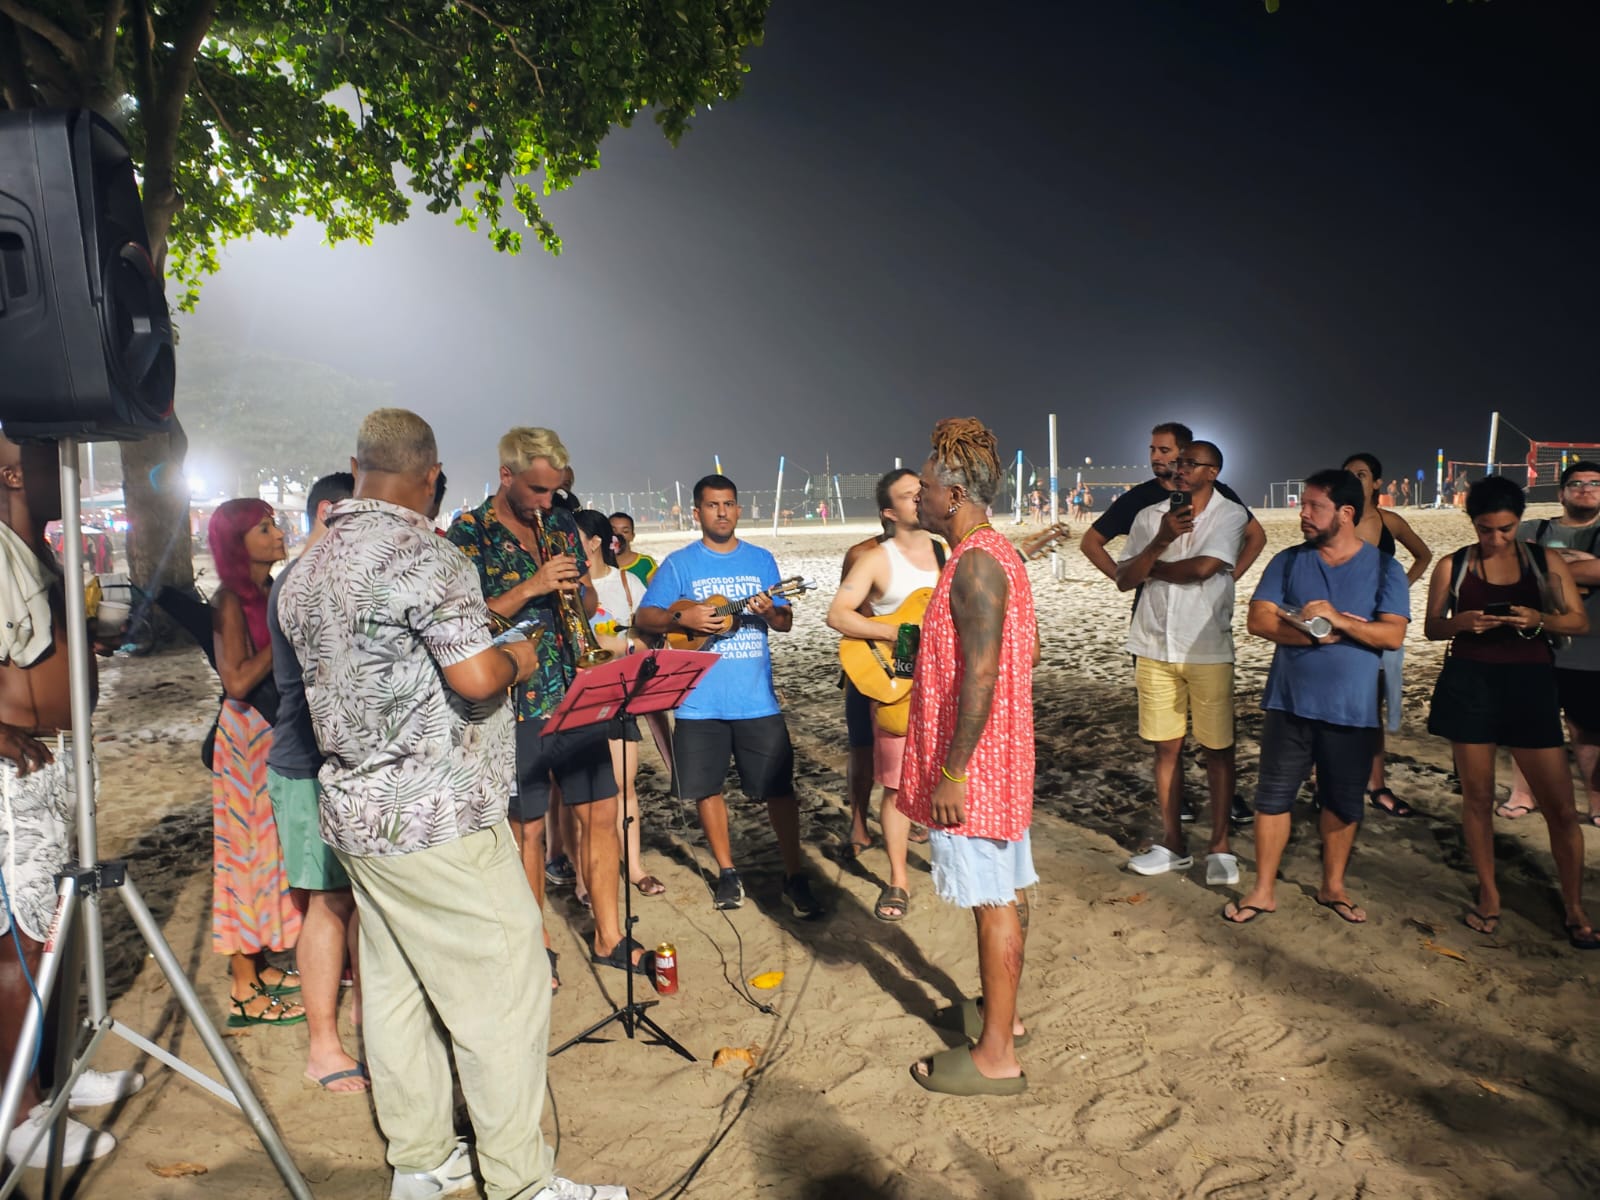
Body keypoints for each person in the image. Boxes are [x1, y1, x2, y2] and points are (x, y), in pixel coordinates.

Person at [280, 408, 626, 1200]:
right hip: (436, 813)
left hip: (356, 813)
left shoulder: (308, 563)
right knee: (506, 990)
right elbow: (473, 677)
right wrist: (520, 652)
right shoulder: (423, 554)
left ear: (358, 464)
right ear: (432, 476)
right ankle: (520, 1182)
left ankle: (424, 1160)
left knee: (396, 988)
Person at [447, 429, 648, 980]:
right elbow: (464, 621)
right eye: (537, 490)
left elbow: (584, 596)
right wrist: (534, 585)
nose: (545, 503)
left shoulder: (559, 522)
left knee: (601, 815)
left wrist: (579, 591)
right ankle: (535, 943)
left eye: (554, 491)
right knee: (527, 830)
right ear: (505, 475)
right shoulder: (469, 533)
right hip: (514, 701)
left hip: (577, 688)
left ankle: (608, 935)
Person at [2, 434, 142, 1169]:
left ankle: (54, 1078)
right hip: (14, 778)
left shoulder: (35, 551)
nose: (75, 472)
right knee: (16, 948)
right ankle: (20, 1116)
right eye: (53, 455)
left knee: (52, 932)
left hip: (54, 765)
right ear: (13, 471)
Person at [899, 418, 1038, 1097]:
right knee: (1003, 893)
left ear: (953, 494)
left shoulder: (978, 562)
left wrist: (953, 769)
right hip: (1002, 755)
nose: (917, 498)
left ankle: (995, 1056)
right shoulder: (997, 554)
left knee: (992, 901)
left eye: (924, 488)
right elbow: (1023, 655)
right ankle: (999, 1020)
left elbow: (982, 674)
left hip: (977, 767)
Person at [1225, 469, 1410, 927]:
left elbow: (1392, 634)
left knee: (1343, 801)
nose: (1303, 514)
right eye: (1303, 505)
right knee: (1272, 798)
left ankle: (1333, 887)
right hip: (1288, 703)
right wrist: (1311, 638)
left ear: (1345, 514)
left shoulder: (1386, 568)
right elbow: (1258, 620)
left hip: (1352, 708)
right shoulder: (1288, 562)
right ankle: (1263, 891)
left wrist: (1340, 622)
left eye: (1314, 507)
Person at [1422, 475, 1596, 949]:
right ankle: (1489, 894)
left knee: (1560, 808)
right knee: (1477, 798)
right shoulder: (1453, 565)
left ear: (1519, 521)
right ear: (1472, 522)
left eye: (1505, 528)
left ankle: (1575, 906)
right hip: (1471, 684)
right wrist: (1461, 622)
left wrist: (1539, 619)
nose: (1496, 538)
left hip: (1530, 684)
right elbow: (1432, 628)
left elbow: (1578, 621)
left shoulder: (1545, 561)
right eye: (1485, 529)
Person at [634, 475, 821, 915]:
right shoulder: (680, 564)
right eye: (713, 505)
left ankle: (794, 874)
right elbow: (646, 614)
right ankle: (727, 872)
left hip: (756, 699)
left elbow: (785, 622)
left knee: (779, 790)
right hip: (699, 701)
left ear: (738, 510)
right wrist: (689, 618)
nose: (722, 512)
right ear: (697, 513)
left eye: (730, 504)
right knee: (708, 789)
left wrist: (772, 608)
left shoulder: (761, 560)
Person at [1082, 421, 1265, 827]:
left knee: (1216, 740)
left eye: (1167, 452)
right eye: (1154, 451)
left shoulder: (1225, 503)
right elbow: (1095, 547)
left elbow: (1244, 544)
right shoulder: (1144, 505)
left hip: (1204, 636)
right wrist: (1130, 571)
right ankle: (1177, 805)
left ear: (1193, 460)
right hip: (1152, 630)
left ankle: (1224, 805)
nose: (1159, 459)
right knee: (1166, 737)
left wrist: (1228, 576)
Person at [265, 472, 366, 1091]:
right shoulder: (298, 583)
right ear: (328, 513)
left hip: (345, 764)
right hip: (306, 765)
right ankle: (323, 1045)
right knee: (327, 903)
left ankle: (362, 1020)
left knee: (357, 899)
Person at [1115, 441, 1250, 885]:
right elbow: (1122, 579)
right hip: (1153, 644)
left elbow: (1204, 568)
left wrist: (1150, 567)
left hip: (1205, 645)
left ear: (1212, 472)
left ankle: (1220, 845)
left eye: (1190, 464)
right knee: (1164, 747)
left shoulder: (1229, 515)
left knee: (1218, 749)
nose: (1180, 470)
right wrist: (1161, 541)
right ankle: (1173, 842)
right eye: (1178, 463)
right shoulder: (1149, 517)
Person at [826, 468, 944, 921]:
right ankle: (898, 879)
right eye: (910, 496)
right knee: (896, 786)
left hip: (948, 685)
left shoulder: (949, 550)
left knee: (949, 778)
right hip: (901, 686)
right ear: (890, 512)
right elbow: (838, 615)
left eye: (923, 491)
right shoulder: (877, 558)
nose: (921, 499)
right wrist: (894, 632)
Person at [206, 499, 305, 1026]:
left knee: (270, 857)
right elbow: (237, 682)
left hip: (272, 734)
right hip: (245, 740)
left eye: (274, 524)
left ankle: (262, 964)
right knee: (246, 860)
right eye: (263, 528)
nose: (277, 533)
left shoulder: (268, 591)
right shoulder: (229, 601)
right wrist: (284, 633)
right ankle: (243, 987)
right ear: (235, 543)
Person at [571, 509, 665, 897]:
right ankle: (582, 878)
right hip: (576, 699)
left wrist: (618, 647)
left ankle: (636, 867)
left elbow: (651, 640)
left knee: (624, 788)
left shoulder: (626, 584)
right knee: (581, 797)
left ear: (593, 542)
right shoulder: (566, 588)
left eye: (572, 535)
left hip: (618, 696)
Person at [1501, 460, 1600, 825]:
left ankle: (1596, 801)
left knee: (1588, 729)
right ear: (1561, 493)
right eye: (1577, 483)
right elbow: (1514, 569)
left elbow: (1538, 568)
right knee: (1528, 722)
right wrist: (1582, 565)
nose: (1586, 488)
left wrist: (1551, 567)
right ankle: (1522, 793)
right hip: (1534, 643)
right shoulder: (1534, 527)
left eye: (1594, 483)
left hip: (1591, 649)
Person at [1342, 453, 1433, 818]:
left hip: (1379, 626)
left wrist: (1399, 592)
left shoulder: (1389, 522)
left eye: (1361, 474)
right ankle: (1323, 779)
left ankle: (1376, 784)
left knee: (1372, 709)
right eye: (1348, 474)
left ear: (1376, 482)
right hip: (1340, 625)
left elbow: (1423, 556)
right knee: (1329, 703)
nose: (1354, 479)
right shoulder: (1335, 519)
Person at [609, 511, 657, 587]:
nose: (618, 535)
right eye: (612, 530)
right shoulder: (599, 564)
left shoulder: (645, 563)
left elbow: (656, 594)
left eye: (625, 531)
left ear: (632, 536)